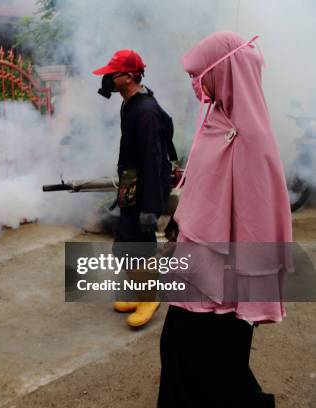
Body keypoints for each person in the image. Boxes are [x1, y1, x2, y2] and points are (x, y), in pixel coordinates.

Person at [158, 32, 293, 407]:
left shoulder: (253, 138)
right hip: (195, 269)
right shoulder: (216, 119)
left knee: (215, 367)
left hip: (227, 289)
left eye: (198, 74)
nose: (194, 83)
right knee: (181, 356)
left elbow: (259, 223)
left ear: (225, 71)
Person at [93, 49, 174, 328]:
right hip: (132, 184)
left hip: (146, 188)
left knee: (140, 243)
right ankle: (143, 293)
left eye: (111, 74)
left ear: (128, 77)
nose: (106, 79)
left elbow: (153, 162)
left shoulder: (146, 111)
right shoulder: (130, 103)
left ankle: (150, 298)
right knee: (126, 243)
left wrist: (151, 208)